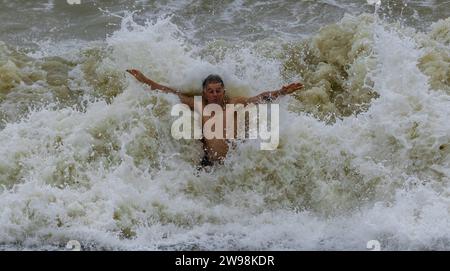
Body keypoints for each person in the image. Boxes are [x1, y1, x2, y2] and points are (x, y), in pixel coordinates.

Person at [126, 69, 304, 167]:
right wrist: (145, 80)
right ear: (204, 92)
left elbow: (259, 98)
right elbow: (169, 92)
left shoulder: (234, 103)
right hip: (209, 164)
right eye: (210, 91)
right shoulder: (199, 105)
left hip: (235, 164)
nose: (215, 94)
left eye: (218, 90)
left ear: (223, 91)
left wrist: (281, 92)